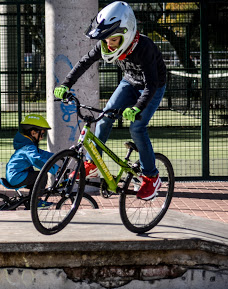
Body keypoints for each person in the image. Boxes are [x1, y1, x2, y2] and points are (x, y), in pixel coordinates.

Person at [54, 1, 167, 201]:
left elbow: (151, 84)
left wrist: (137, 107)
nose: (108, 44)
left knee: (137, 127)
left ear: (127, 33)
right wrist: (66, 84)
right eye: (106, 40)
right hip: (130, 82)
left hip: (153, 87)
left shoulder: (145, 47)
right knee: (105, 117)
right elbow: (83, 62)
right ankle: (92, 164)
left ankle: (152, 177)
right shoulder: (106, 43)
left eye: (113, 40)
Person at [5, 114, 55, 190]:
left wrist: (57, 156)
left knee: (35, 180)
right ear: (33, 133)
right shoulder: (28, 148)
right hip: (17, 177)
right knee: (42, 177)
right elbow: (36, 160)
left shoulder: (26, 145)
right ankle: (36, 201)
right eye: (42, 134)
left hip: (14, 175)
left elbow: (41, 153)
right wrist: (55, 168)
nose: (42, 137)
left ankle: (31, 200)